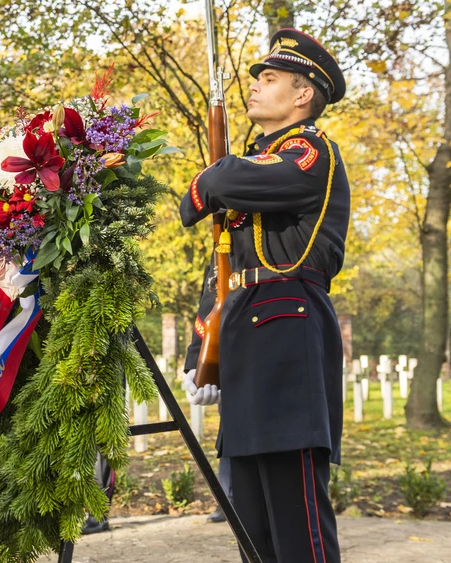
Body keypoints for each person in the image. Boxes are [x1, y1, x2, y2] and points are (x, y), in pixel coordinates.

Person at [179, 29, 349, 562]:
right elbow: (224, 271)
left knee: (299, 527)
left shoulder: (309, 150)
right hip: (248, 338)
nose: (254, 87)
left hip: (287, 337)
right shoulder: (258, 164)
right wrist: (200, 350)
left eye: (270, 79)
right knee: (252, 526)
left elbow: (221, 181)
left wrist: (214, 175)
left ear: (303, 95)